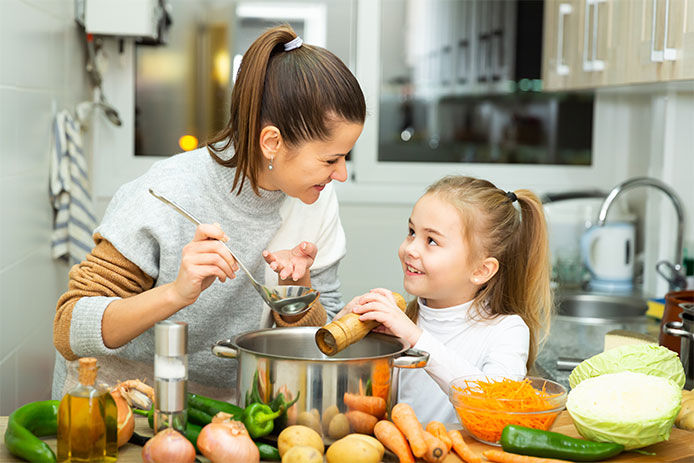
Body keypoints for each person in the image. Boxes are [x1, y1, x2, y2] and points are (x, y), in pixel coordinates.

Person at [52, 25, 365, 401]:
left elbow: (327, 334)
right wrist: (176, 293)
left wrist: (297, 296)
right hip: (120, 402)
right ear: (272, 143)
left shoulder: (317, 198)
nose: (341, 173)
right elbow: (69, 328)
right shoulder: (168, 191)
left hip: (224, 411)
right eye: (331, 158)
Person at [339, 176, 552, 423]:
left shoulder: (507, 331)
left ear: (481, 270)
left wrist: (416, 338)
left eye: (431, 240)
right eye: (411, 232)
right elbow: (355, 398)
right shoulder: (402, 321)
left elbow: (496, 408)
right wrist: (345, 328)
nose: (410, 249)